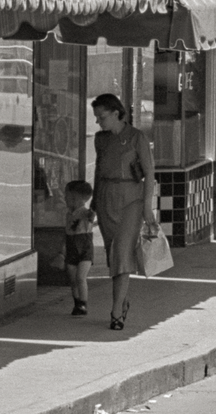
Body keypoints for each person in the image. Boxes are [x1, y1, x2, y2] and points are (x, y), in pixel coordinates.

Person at [91, 93, 157, 330]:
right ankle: (122, 299)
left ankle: (116, 309)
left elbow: (149, 173)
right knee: (113, 255)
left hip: (131, 200)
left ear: (116, 113)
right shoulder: (100, 139)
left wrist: (148, 207)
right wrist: (92, 206)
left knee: (122, 253)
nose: (99, 121)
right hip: (106, 198)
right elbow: (98, 171)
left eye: (102, 116)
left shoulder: (136, 137)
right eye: (96, 117)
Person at [64, 179, 96, 316]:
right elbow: (66, 233)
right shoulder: (68, 214)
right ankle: (77, 302)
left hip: (85, 249)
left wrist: (92, 212)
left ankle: (83, 304)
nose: (65, 198)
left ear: (75, 197)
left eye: (67, 196)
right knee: (73, 279)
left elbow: (91, 215)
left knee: (80, 277)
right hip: (71, 247)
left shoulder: (86, 212)